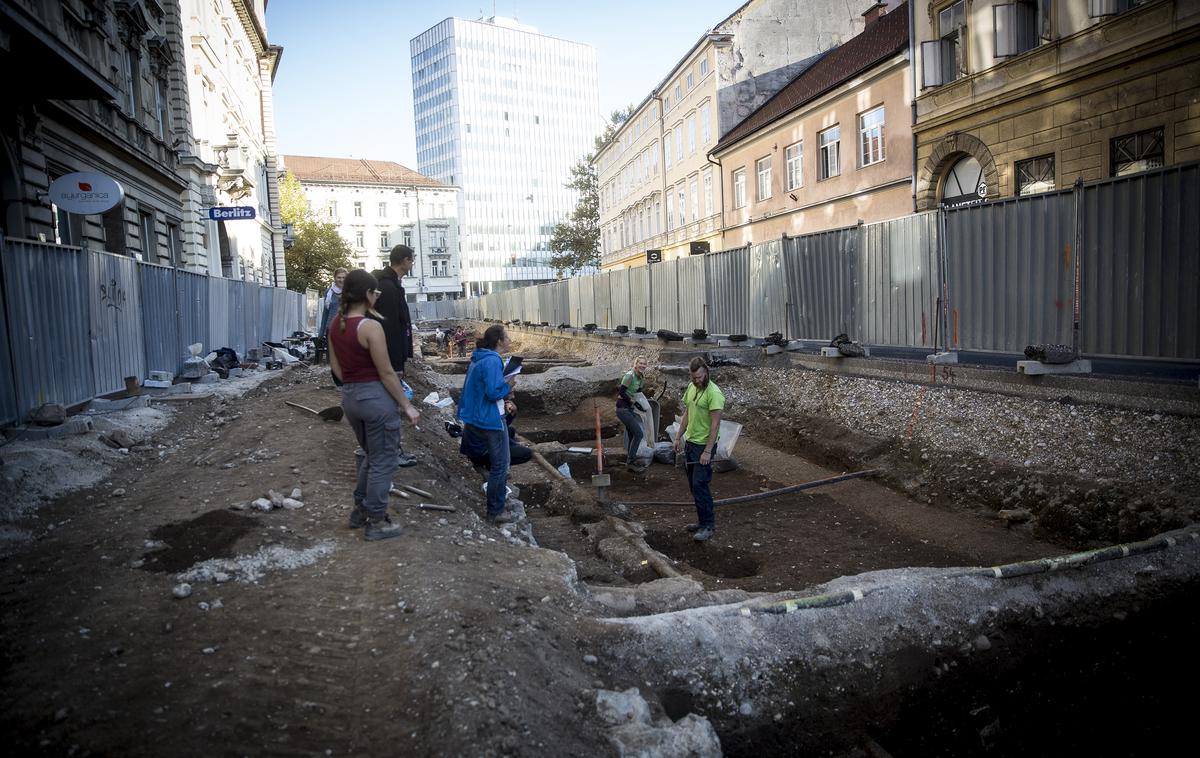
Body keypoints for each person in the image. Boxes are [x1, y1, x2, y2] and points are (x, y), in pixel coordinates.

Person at [327, 269, 421, 541]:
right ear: (368, 294)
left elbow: (335, 367)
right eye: (375, 292)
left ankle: (360, 510)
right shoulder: (370, 327)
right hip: (375, 400)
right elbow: (387, 372)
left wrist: (354, 388)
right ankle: (377, 520)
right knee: (384, 461)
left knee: (371, 455)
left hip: (351, 398)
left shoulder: (337, 324)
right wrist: (407, 405)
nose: (377, 296)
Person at [458, 324, 519, 524]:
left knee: (499, 464)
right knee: (501, 465)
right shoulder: (493, 360)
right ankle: (496, 510)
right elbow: (493, 393)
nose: (509, 340)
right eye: (507, 337)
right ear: (499, 341)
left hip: (477, 416)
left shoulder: (480, 357)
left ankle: (497, 503)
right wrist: (508, 385)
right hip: (490, 419)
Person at [371, 246, 418, 467]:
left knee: (390, 407)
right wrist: (396, 364)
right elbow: (390, 330)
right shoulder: (388, 288)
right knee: (390, 408)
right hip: (389, 361)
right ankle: (392, 453)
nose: (413, 264)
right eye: (412, 260)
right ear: (404, 261)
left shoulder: (390, 285)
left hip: (390, 359)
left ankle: (393, 450)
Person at [673, 356, 725, 542]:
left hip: (704, 445)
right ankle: (701, 521)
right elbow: (687, 413)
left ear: (706, 373)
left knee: (700, 485)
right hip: (691, 443)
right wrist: (678, 436)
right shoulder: (692, 387)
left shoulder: (714, 394)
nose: (696, 381)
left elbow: (715, 425)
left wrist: (707, 451)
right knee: (693, 486)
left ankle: (708, 525)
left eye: (699, 377)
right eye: (693, 378)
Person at [459, 399, 532, 468]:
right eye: (510, 393)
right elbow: (498, 432)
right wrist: (516, 444)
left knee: (511, 430)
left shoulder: (486, 405)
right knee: (527, 453)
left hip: (477, 446)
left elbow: (501, 428)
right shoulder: (490, 411)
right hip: (480, 453)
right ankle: (494, 467)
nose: (513, 397)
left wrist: (512, 414)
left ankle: (492, 463)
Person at [616, 356, 649, 473]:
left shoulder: (641, 377)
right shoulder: (630, 375)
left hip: (629, 409)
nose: (642, 365)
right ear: (636, 364)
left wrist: (644, 403)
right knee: (639, 434)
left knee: (631, 434)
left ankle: (631, 461)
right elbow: (621, 392)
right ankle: (630, 461)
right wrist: (631, 401)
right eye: (640, 363)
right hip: (622, 408)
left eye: (644, 364)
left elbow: (638, 392)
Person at [317, 268, 347, 340]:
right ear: (334, 278)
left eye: (344, 277)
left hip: (345, 329)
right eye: (339, 277)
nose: (341, 280)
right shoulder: (329, 292)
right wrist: (321, 333)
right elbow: (325, 313)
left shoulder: (350, 292)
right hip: (331, 328)